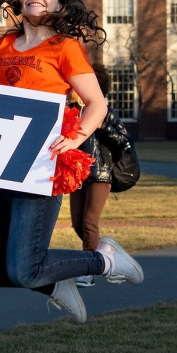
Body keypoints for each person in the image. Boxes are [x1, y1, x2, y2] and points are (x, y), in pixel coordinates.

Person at [0, 0, 144, 323]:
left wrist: (75, 138)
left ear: (60, 4)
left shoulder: (65, 48)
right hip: (1, 163)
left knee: (23, 269)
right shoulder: (0, 45)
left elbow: (97, 104)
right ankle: (55, 285)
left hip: (42, 163)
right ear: (19, 0)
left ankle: (105, 259)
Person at [71, 63, 137, 287]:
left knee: (89, 223)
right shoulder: (71, 111)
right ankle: (109, 259)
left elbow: (123, 141)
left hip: (100, 174)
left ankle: (88, 272)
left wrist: (102, 127)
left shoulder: (105, 112)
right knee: (77, 224)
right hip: (76, 175)